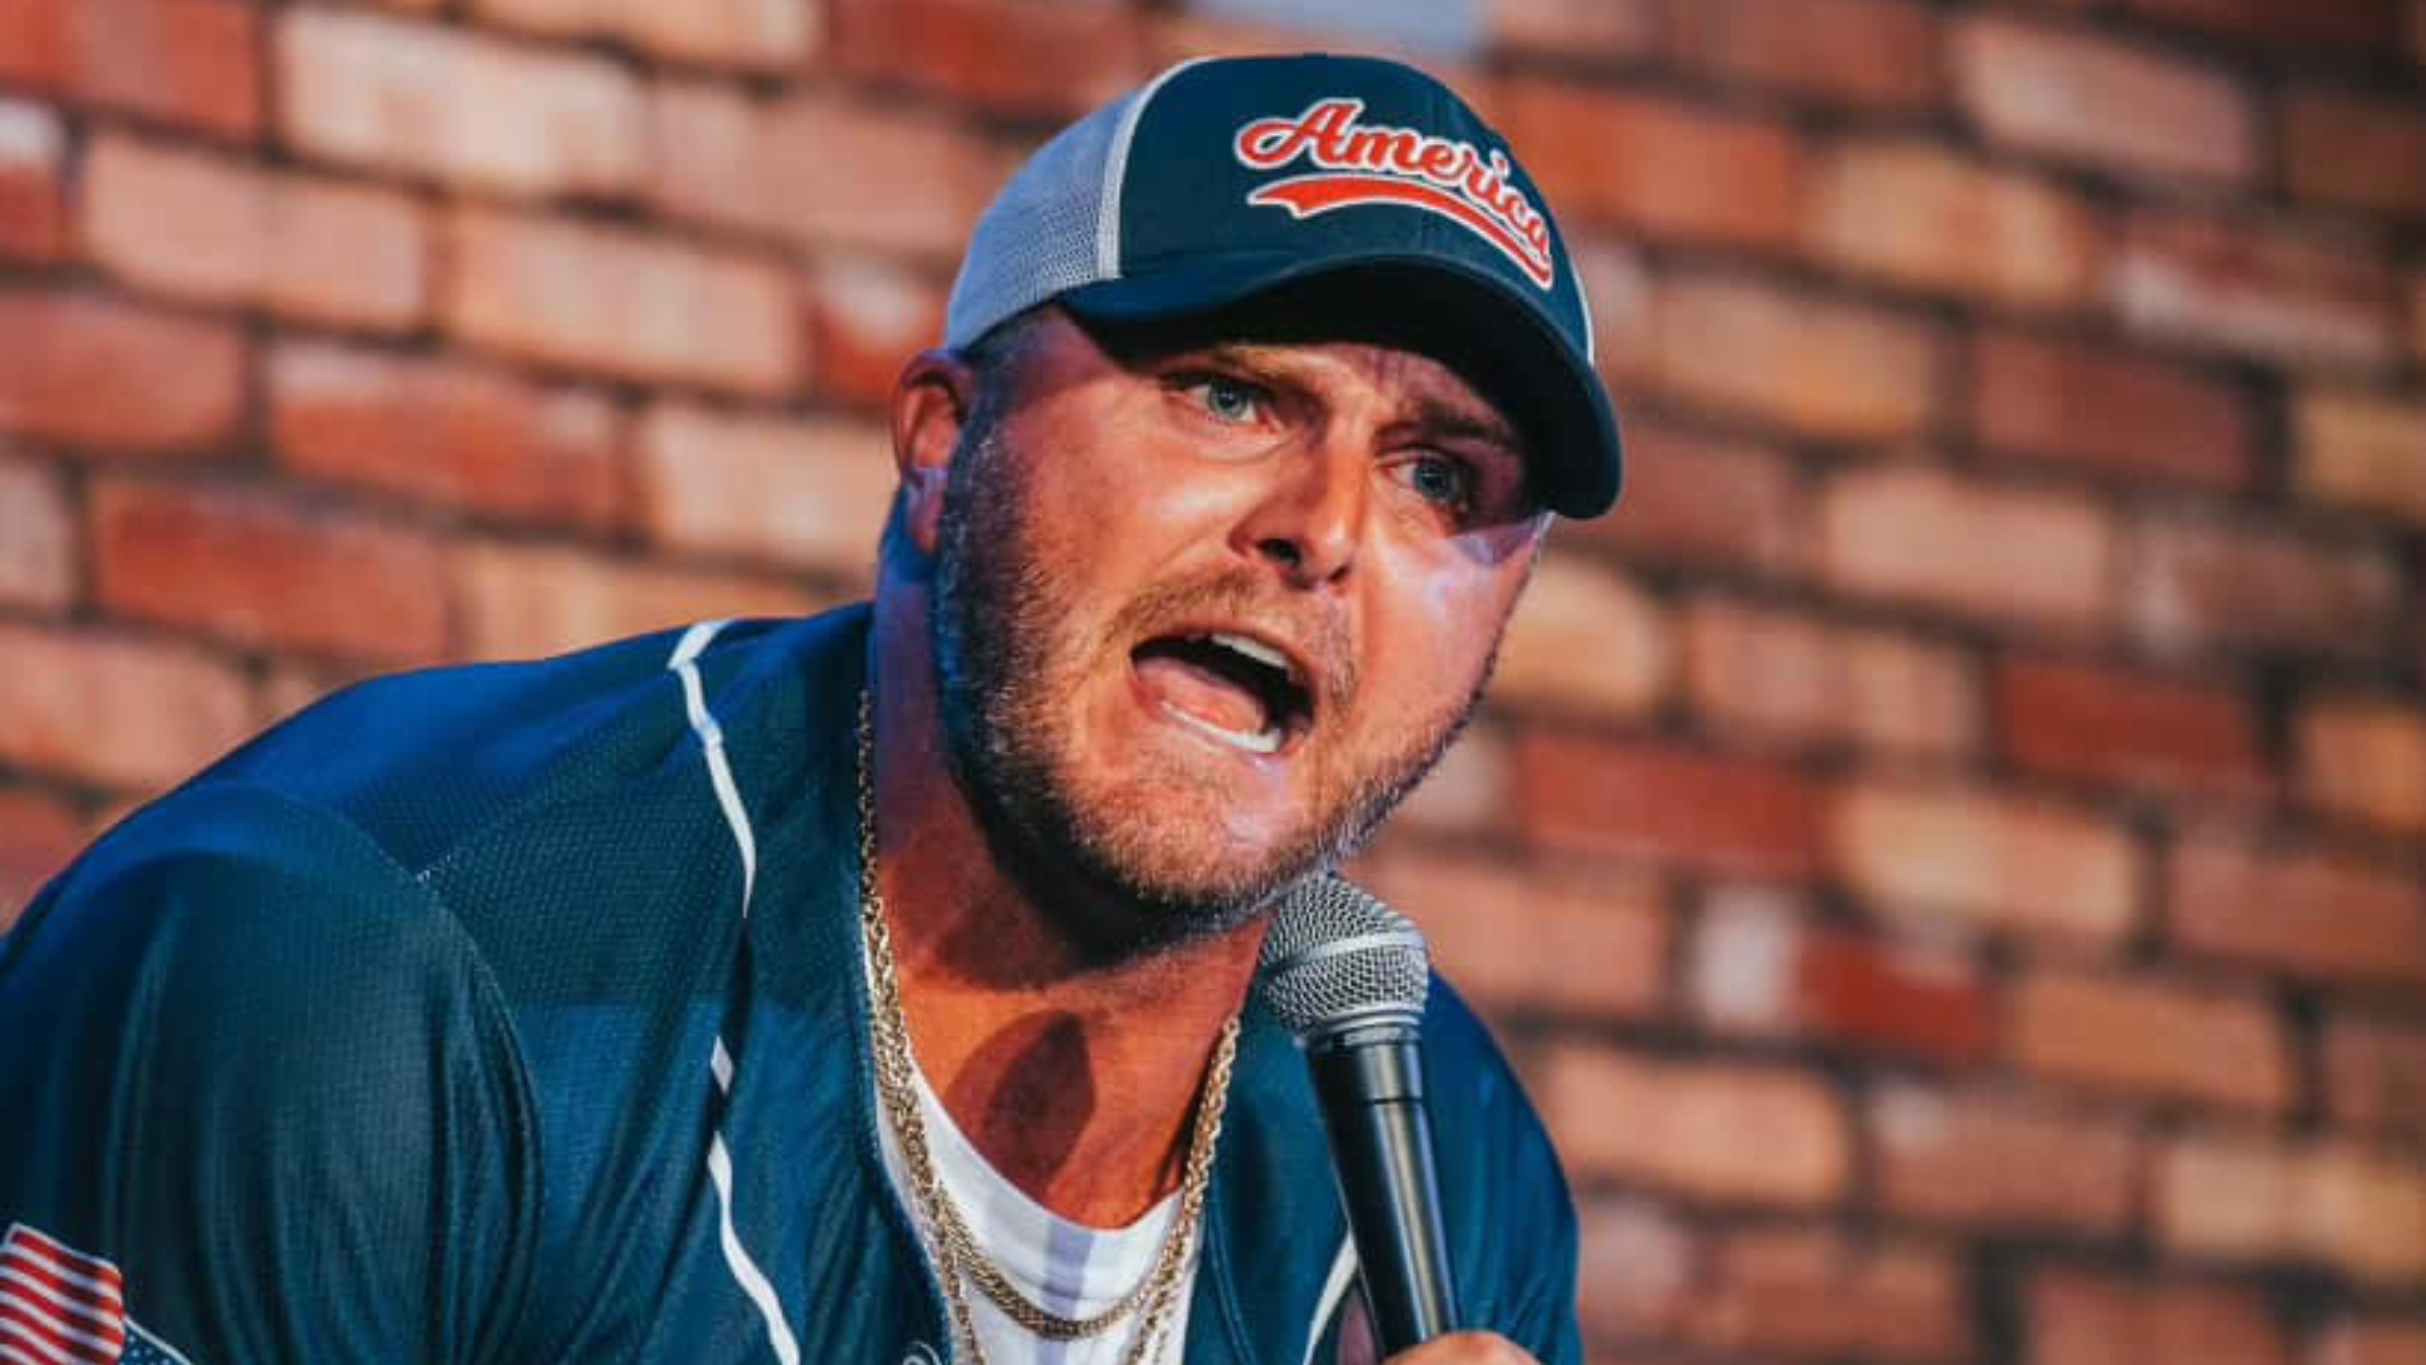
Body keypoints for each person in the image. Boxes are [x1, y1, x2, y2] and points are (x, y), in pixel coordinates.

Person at [0, 53, 1621, 1365]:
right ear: (943, 442)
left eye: (1438, 478)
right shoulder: (367, 963)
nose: (1323, 529)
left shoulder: (1432, 1160)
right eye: (1228, 393)